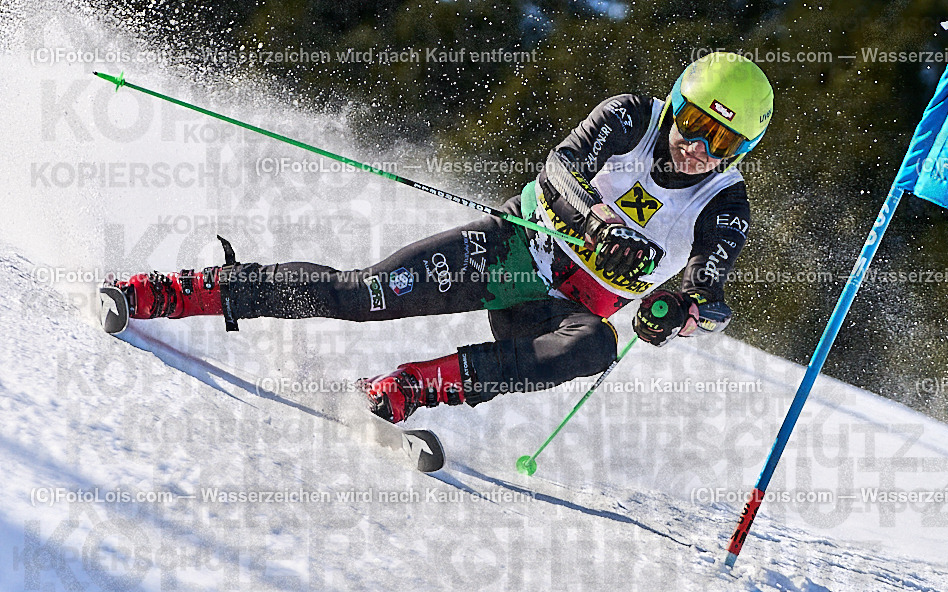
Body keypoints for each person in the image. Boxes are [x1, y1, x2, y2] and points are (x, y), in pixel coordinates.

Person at [111, 51, 773, 424]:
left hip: (554, 311)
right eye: (693, 124)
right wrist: (597, 224)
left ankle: (414, 385)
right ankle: (184, 291)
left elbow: (707, 292)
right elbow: (558, 169)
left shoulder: (726, 202)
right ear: (677, 102)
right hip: (512, 253)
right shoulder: (630, 116)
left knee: (597, 345)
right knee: (362, 294)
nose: (697, 148)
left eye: (722, 142)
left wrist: (677, 315)